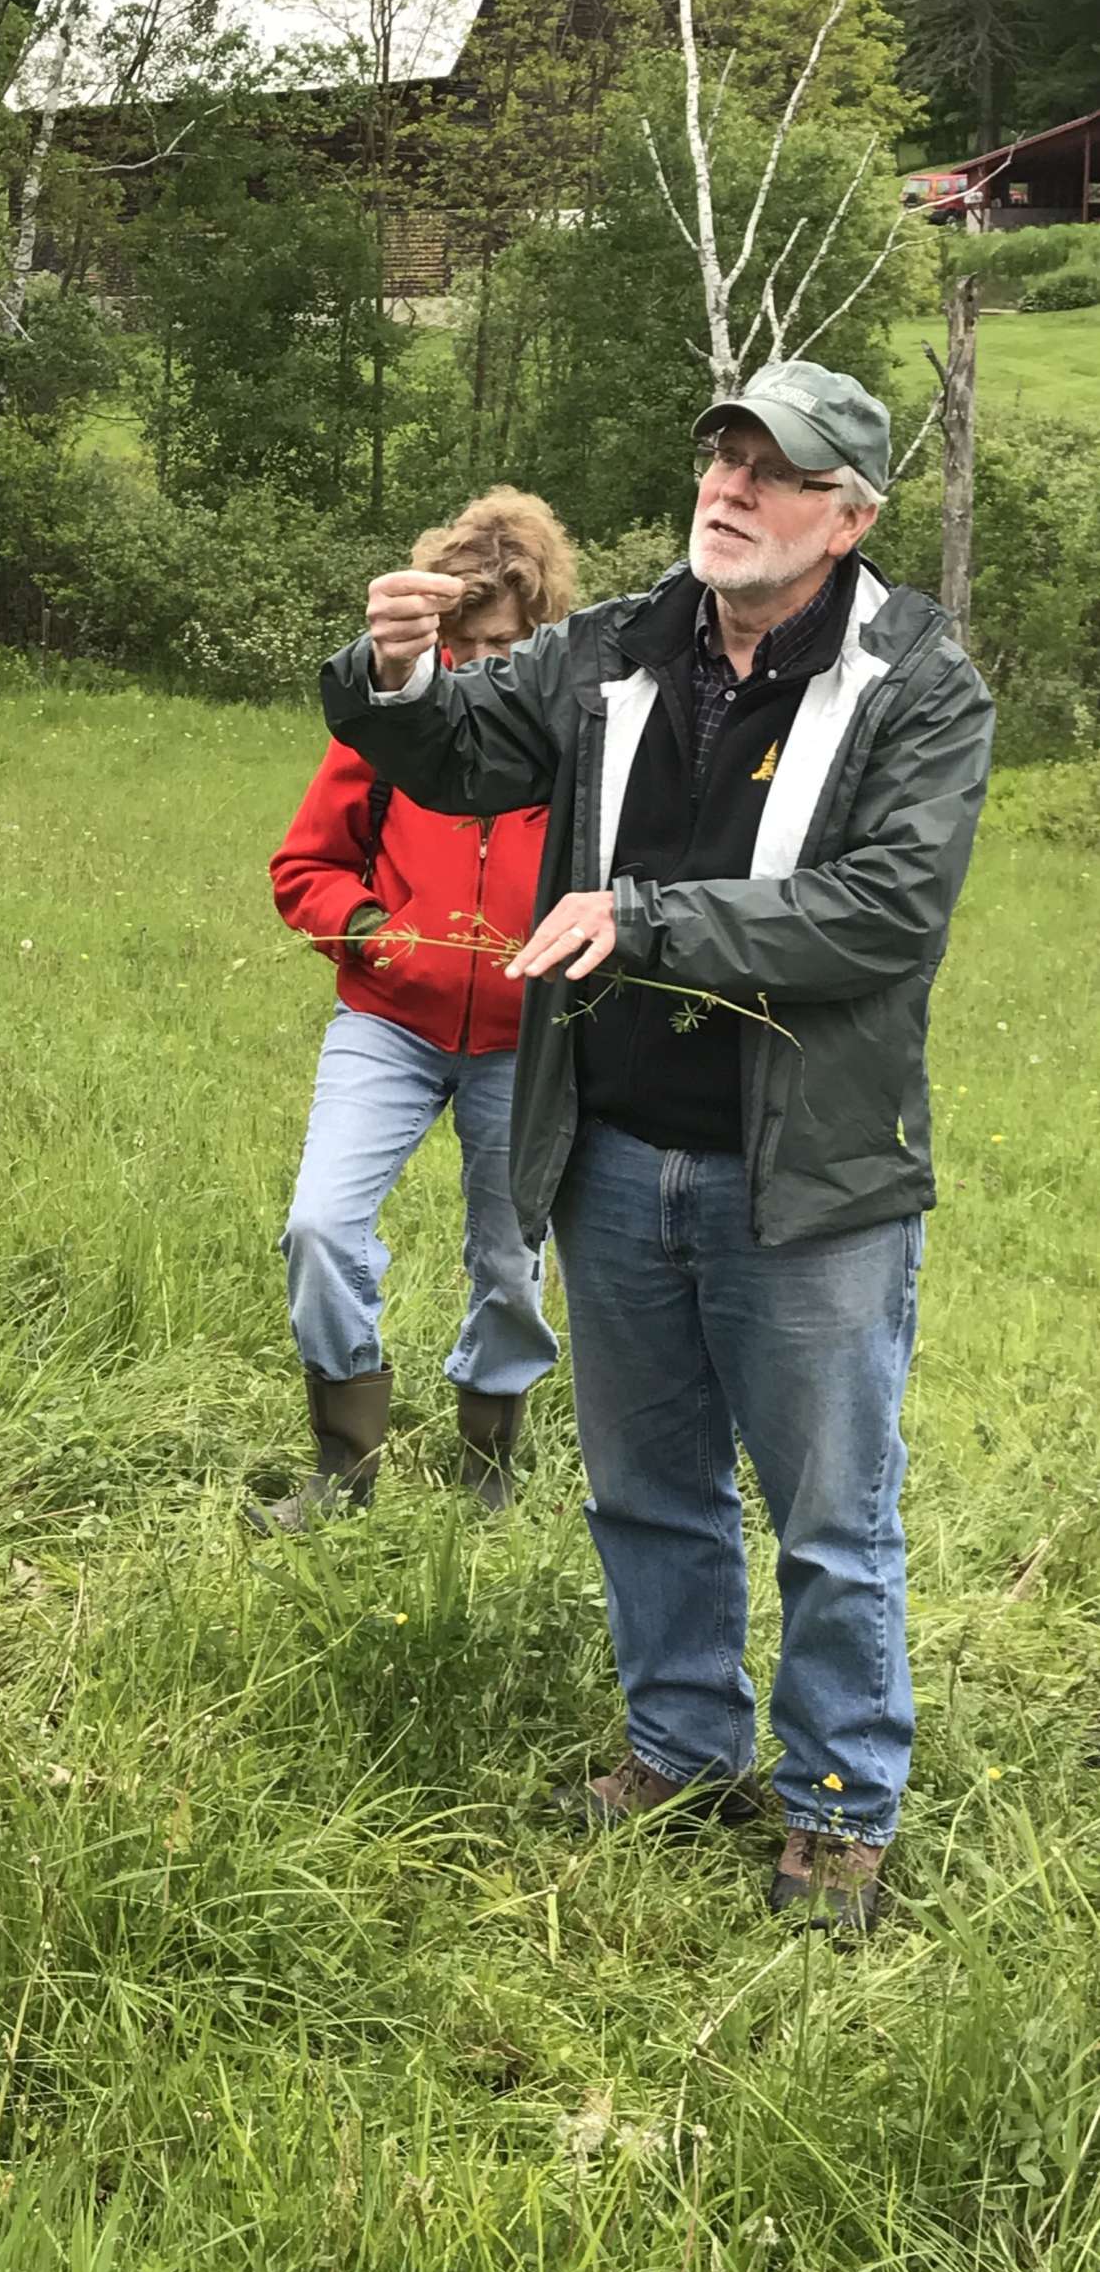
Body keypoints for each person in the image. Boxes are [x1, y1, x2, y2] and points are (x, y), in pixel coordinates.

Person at [320, 362, 994, 1931]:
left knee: (828, 1514)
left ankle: (836, 1810)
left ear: (846, 517)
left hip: (807, 1177)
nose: (727, 488)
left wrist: (644, 920)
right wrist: (393, 675)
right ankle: (680, 1747)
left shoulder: (914, 681)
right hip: (615, 1150)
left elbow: (886, 909)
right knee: (643, 1486)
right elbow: (459, 753)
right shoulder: (612, 645)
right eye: (719, 455)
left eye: (771, 470)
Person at [253, 490, 574, 1532]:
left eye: (502, 646)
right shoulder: (388, 734)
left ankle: (488, 1462)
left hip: (523, 1043)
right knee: (320, 1225)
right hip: (387, 1024)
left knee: (510, 1260)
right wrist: (367, 928)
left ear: (539, 640)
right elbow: (304, 868)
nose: (478, 666)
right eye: (460, 644)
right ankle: (344, 1465)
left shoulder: (575, 751)